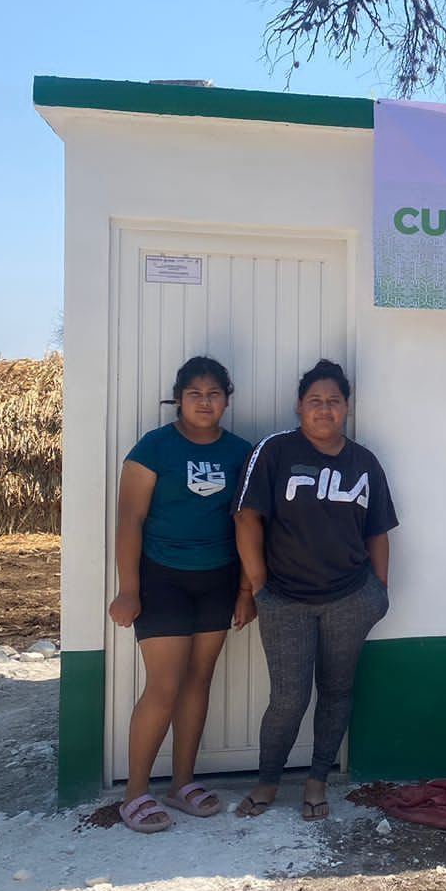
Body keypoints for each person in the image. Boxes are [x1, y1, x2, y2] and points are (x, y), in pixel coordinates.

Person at [233, 358, 397, 821]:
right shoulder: (274, 451)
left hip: (350, 598)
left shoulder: (364, 462)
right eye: (315, 401)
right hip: (285, 600)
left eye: (334, 401)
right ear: (299, 406)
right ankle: (267, 782)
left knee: (337, 691)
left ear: (347, 407)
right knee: (288, 698)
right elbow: (246, 519)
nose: (325, 409)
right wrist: (257, 586)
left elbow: (378, 531)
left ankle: (316, 781)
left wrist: (378, 592)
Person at [109, 356, 255, 834]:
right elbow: (129, 520)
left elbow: (249, 525)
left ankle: (182, 783)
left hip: (217, 581)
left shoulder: (242, 453)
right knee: (165, 685)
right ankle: (135, 793)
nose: (204, 402)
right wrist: (129, 590)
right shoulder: (153, 448)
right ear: (179, 399)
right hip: (162, 580)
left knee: (198, 681)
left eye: (214, 394)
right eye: (195, 394)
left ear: (227, 400)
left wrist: (245, 590)